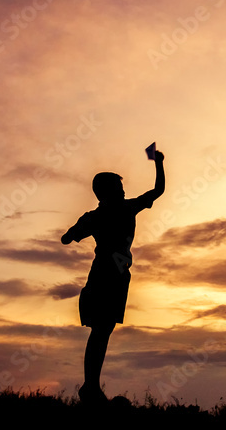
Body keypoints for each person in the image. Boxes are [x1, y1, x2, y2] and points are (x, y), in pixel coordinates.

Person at [61, 149, 165, 405]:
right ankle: (90, 387)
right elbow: (157, 190)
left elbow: (66, 238)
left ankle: (91, 386)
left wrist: (81, 227)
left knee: (102, 331)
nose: (123, 191)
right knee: (101, 331)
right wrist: (159, 164)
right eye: (118, 188)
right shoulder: (121, 210)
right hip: (105, 278)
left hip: (114, 277)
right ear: (107, 192)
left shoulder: (108, 212)